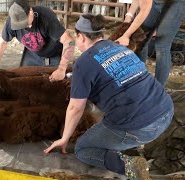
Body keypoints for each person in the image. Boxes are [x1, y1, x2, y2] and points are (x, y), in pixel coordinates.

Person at [44, 14, 173, 179]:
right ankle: (134, 142)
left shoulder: (84, 62)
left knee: (83, 149)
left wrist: (65, 138)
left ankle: (130, 166)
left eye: (76, 38)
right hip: (166, 112)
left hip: (141, 127)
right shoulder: (120, 48)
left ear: (81, 37)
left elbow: (76, 107)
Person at [0, 0, 75, 81]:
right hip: (32, 54)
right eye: (19, 25)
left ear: (30, 11)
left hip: (53, 54)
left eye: (24, 23)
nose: (23, 27)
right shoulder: (11, 21)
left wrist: (62, 69)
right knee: (22, 82)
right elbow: (2, 42)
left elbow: (69, 41)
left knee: (55, 83)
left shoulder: (46, 16)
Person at [115, 0, 185, 86]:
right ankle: (139, 79)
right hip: (156, 2)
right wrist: (128, 16)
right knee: (141, 41)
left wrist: (126, 35)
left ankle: (158, 89)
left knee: (162, 46)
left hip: (176, 3)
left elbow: (144, 11)